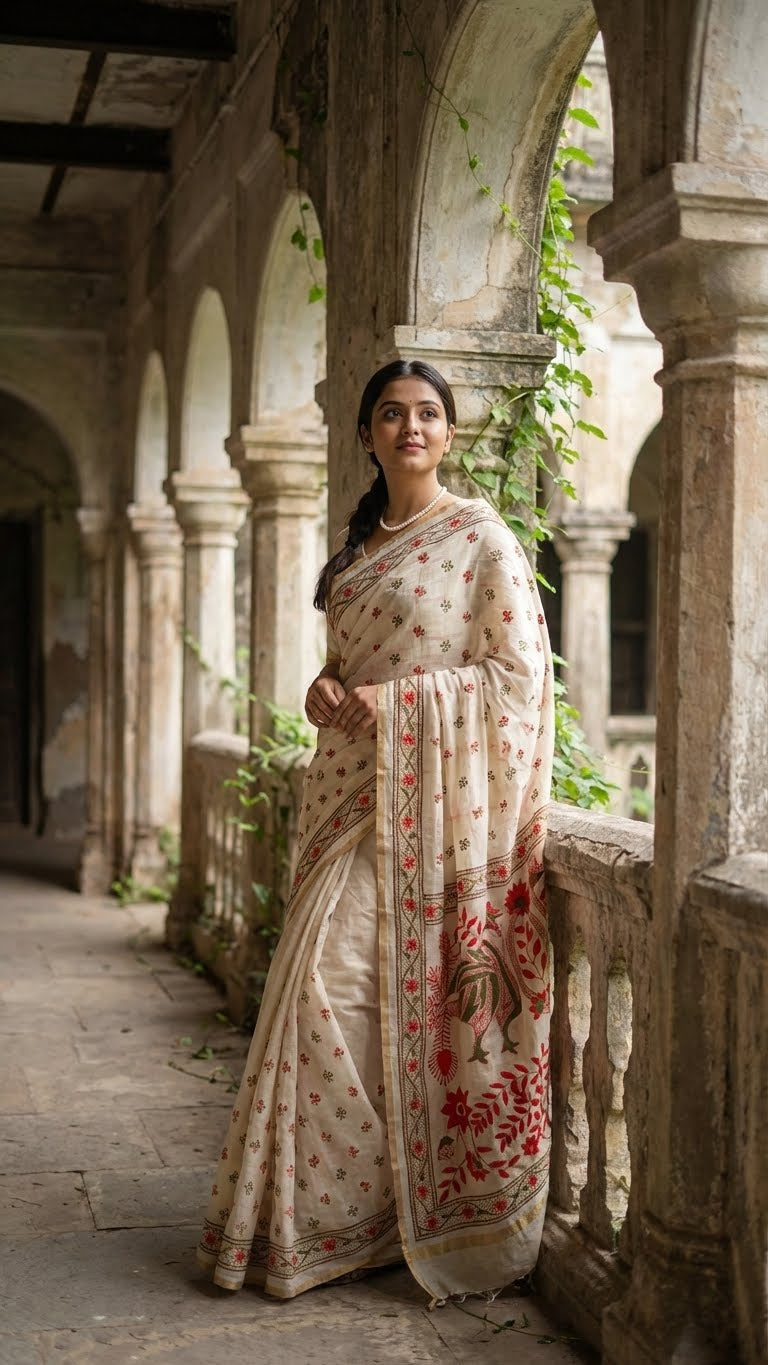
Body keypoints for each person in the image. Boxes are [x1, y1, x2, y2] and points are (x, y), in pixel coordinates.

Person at [197, 359, 554, 1303]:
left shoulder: (480, 539)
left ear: (451, 432)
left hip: (425, 815)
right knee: (320, 998)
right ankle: (337, 1218)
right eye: (392, 414)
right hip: (346, 802)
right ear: (367, 435)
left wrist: (396, 705)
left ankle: (373, 1214)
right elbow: (347, 670)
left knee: (334, 989)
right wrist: (323, 688)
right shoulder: (357, 552)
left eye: (429, 413)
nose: (412, 427)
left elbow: (517, 682)